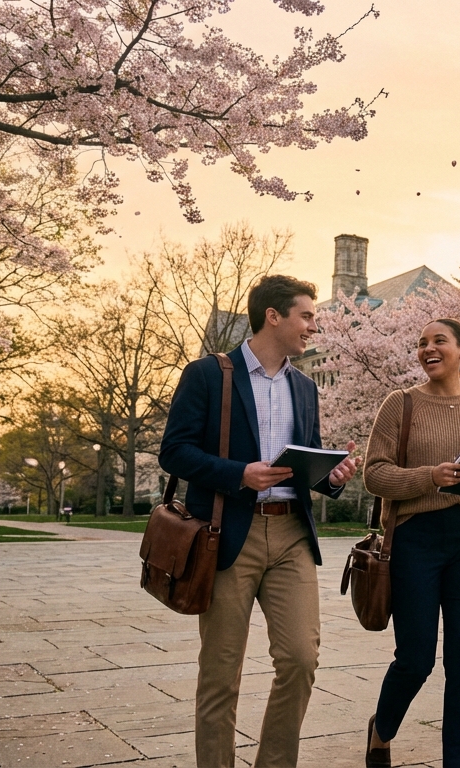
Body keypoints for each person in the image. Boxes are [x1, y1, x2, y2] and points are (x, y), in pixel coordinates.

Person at [159, 275, 358, 768]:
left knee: (299, 660)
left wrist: (332, 475)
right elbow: (174, 452)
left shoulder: (305, 387)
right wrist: (237, 475)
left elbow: (305, 466)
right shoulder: (208, 374)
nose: (314, 326)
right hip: (228, 533)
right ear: (274, 315)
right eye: (307, 316)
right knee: (221, 673)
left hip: (292, 534)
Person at [361, 318, 460, 768]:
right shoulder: (401, 404)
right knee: (415, 659)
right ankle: (381, 728)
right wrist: (429, 476)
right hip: (415, 540)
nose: (428, 348)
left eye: (439, 341)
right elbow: (375, 474)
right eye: (422, 343)